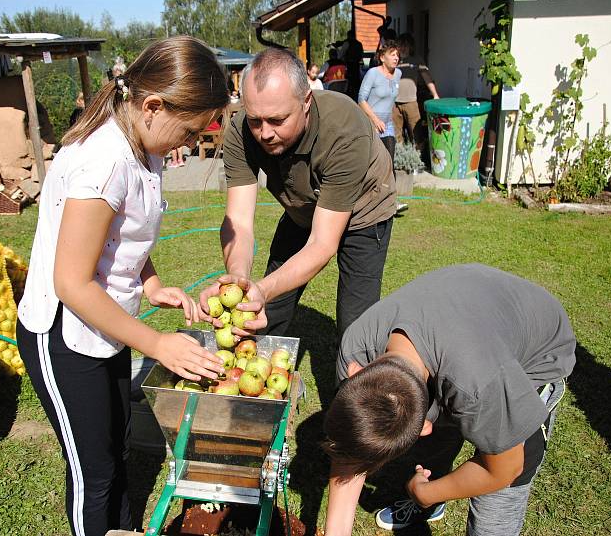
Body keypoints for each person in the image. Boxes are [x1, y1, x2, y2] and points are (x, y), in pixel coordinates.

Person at [16, 36, 229, 536]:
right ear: (153, 106)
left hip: (106, 329)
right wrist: (156, 343)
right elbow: (70, 282)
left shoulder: (141, 148)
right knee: (95, 472)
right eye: (190, 130)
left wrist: (151, 285)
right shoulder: (105, 160)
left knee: (116, 450)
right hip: (64, 337)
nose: (189, 142)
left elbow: (120, 236)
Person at [323, 263, 576, 536]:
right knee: (432, 433)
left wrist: (427, 493)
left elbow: (504, 470)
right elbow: (352, 449)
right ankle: (431, 502)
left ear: (425, 427)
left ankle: (429, 500)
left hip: (534, 353)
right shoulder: (356, 348)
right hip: (468, 310)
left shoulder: (481, 386)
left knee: (495, 505)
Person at [199, 47, 397, 341]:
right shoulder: (241, 131)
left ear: (306, 102)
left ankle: (355, 385)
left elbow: (322, 243)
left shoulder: (345, 128)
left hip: (365, 211)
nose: (264, 133)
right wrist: (239, 281)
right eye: (255, 120)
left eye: (277, 121)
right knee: (266, 308)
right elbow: (238, 221)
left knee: (356, 325)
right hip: (303, 207)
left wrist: (263, 288)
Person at [394, 33, 440, 146]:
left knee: (416, 133)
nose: (403, 48)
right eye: (400, 45)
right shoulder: (394, 60)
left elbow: (427, 77)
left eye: (406, 45)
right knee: (395, 134)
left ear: (411, 47)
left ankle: (418, 159)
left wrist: (435, 94)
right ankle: (398, 158)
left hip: (411, 102)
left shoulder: (416, 59)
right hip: (393, 103)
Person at [358, 42, 402, 161]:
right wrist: (375, 120)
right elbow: (361, 100)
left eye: (397, 55)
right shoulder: (373, 73)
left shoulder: (398, 74)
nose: (396, 58)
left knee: (389, 161)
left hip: (387, 124)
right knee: (373, 162)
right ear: (382, 57)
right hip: (371, 124)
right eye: (392, 55)